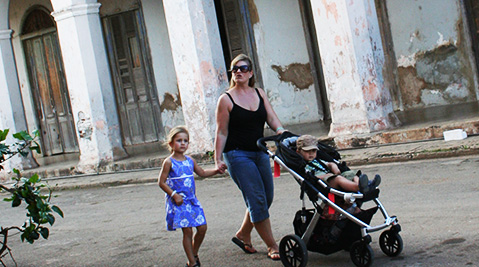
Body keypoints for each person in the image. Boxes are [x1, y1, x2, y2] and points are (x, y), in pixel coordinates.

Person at [214, 54, 285, 261]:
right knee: (256, 199)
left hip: (259, 152)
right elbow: (221, 131)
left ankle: (243, 234)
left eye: (243, 68)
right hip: (237, 154)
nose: (238, 72)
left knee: (266, 198)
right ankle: (272, 245)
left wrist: (281, 131)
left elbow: (270, 117)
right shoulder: (226, 99)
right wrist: (217, 158)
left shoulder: (259, 93)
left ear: (251, 72)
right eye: (234, 69)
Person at [158, 126, 223, 267]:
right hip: (179, 202)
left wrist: (216, 171)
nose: (182, 143)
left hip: (192, 200)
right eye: (179, 140)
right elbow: (161, 182)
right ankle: (192, 262)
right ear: (171, 143)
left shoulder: (190, 160)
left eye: (185, 141)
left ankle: (194, 252)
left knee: (202, 228)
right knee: (187, 231)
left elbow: (202, 172)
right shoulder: (169, 162)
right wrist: (174, 195)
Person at [296, 134, 381, 193]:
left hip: (331, 176)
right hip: (322, 182)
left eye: (313, 151)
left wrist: (333, 166)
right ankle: (358, 187)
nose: (311, 153)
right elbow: (308, 177)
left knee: (351, 173)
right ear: (299, 152)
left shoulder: (316, 160)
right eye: (307, 151)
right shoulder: (302, 164)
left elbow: (328, 164)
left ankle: (364, 185)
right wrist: (325, 176)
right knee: (338, 179)